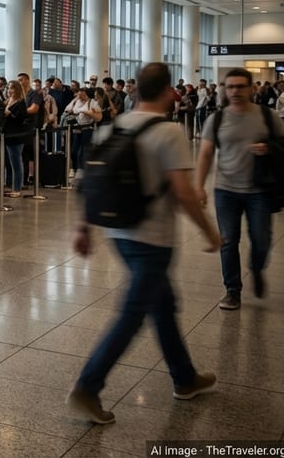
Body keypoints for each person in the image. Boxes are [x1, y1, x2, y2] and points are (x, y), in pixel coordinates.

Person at [67, 62, 220, 425]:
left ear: (135, 90)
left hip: (118, 233)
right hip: (153, 238)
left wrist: (83, 227)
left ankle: (185, 377)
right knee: (133, 313)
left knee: (163, 305)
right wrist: (210, 232)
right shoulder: (169, 131)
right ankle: (88, 387)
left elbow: (90, 181)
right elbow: (184, 192)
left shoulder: (114, 126)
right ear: (168, 92)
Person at [195, 67, 284, 310]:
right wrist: (199, 186)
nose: (235, 91)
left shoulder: (267, 116)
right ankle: (232, 290)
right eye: (230, 87)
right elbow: (205, 154)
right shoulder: (217, 119)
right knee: (228, 241)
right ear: (224, 89)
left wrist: (269, 148)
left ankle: (256, 268)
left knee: (261, 240)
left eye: (240, 86)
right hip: (226, 190)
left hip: (260, 190)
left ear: (251, 88)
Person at [64, 88, 102, 179]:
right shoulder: (75, 101)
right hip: (77, 129)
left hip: (87, 129)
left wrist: (87, 112)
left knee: (84, 150)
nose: (81, 97)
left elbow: (99, 116)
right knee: (74, 150)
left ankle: (82, 170)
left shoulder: (92, 102)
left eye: (83, 95)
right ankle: (75, 168)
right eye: (79, 95)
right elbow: (67, 110)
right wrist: (73, 112)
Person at [1, 80, 28, 198]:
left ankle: (17, 188)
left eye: (12, 88)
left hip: (16, 136)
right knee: (10, 163)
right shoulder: (7, 101)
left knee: (16, 162)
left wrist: (10, 114)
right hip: (7, 135)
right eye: (8, 88)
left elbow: (21, 118)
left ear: (17, 90)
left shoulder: (21, 103)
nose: (9, 90)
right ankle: (11, 185)